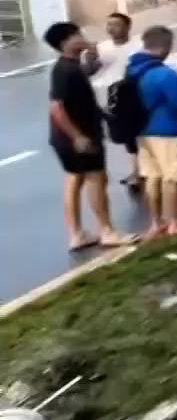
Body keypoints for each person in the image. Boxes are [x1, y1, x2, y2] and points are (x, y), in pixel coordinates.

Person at [45, 22, 134, 251]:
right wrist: (78, 136)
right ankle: (107, 231)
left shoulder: (69, 67)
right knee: (97, 179)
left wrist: (90, 59)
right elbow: (56, 107)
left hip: (65, 137)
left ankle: (77, 234)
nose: (81, 36)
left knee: (74, 179)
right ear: (65, 42)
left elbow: (79, 83)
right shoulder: (65, 70)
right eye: (76, 34)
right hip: (79, 135)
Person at [126, 26, 177, 238]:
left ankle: (156, 222)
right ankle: (176, 223)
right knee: (174, 177)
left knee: (152, 176)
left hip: (142, 131)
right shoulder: (164, 74)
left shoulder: (133, 70)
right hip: (167, 131)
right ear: (166, 47)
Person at [89, 12, 141, 189]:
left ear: (128, 27)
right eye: (109, 24)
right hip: (109, 96)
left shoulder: (139, 45)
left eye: (116, 24)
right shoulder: (102, 48)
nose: (111, 28)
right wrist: (91, 58)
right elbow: (89, 71)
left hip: (133, 93)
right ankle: (138, 170)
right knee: (121, 135)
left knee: (136, 134)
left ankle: (139, 171)